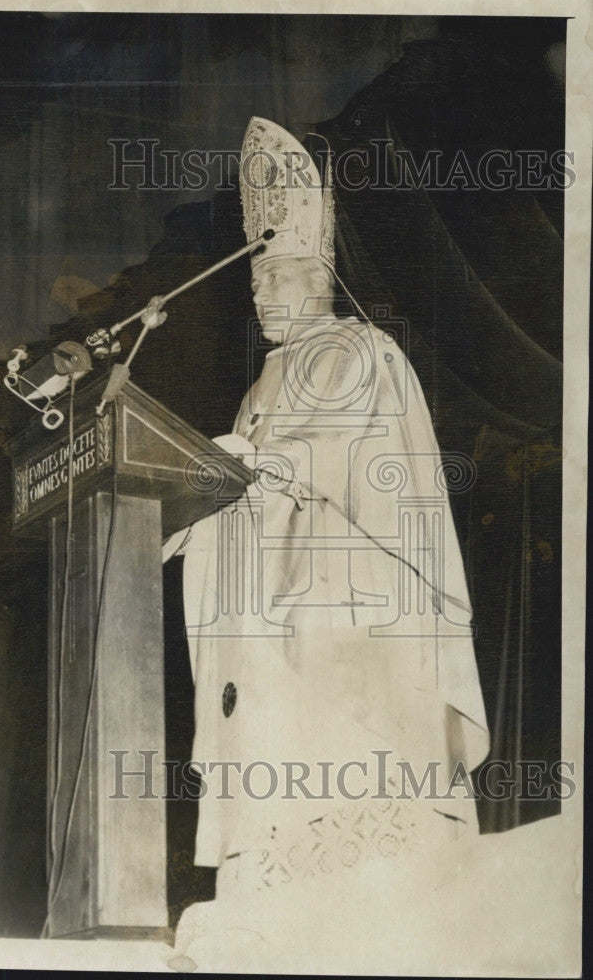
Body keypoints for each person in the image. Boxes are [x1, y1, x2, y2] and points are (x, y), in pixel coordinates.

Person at [166, 117, 490, 972]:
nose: (265, 295)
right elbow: (253, 485)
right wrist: (201, 508)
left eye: (283, 275)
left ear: (323, 274)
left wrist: (253, 468)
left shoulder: (356, 347)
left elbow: (343, 462)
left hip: (354, 591)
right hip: (268, 593)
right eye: (258, 280)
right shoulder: (262, 378)